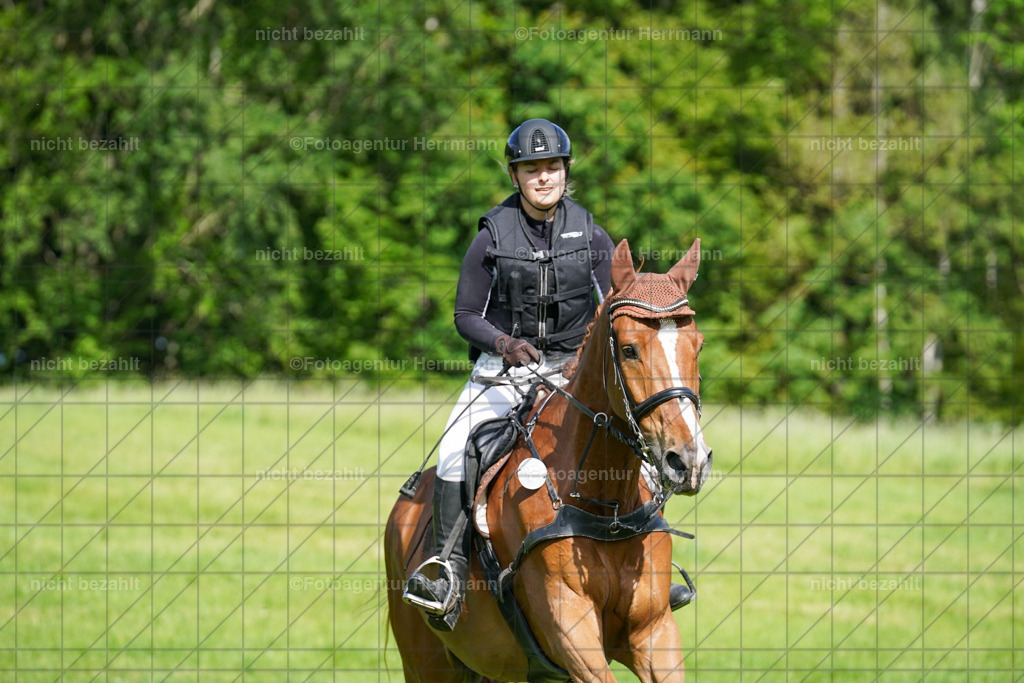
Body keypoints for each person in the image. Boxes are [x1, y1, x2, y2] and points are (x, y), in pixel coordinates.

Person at [402, 119, 692, 631]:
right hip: (504, 371)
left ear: (565, 172)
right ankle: (445, 570)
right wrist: (504, 343)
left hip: (573, 374)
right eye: (532, 169)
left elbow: (618, 308)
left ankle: (650, 573)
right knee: (454, 450)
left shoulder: (594, 236)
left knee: (641, 450)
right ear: (516, 176)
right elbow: (464, 315)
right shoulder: (490, 236)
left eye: (552, 168)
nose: (544, 177)